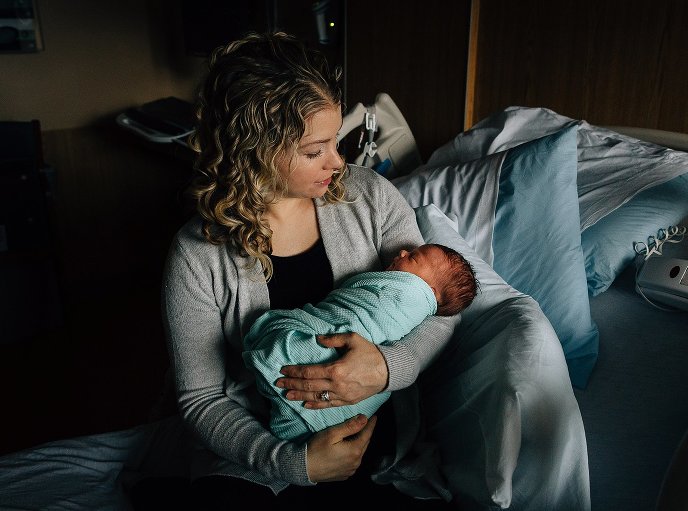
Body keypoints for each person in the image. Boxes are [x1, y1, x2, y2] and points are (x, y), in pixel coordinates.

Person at [156, 31, 458, 510]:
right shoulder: (197, 254)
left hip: (367, 429)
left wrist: (385, 369)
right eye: (314, 151)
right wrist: (289, 462)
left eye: (335, 142)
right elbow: (200, 399)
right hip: (255, 442)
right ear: (253, 149)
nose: (338, 163)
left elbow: (440, 305)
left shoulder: (370, 198)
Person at [242, 243, 478, 441]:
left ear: (430, 292)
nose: (403, 252)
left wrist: (385, 369)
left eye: (413, 257)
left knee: (283, 346)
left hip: (364, 427)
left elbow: (445, 317)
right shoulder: (421, 274)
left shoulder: (412, 295)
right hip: (261, 436)